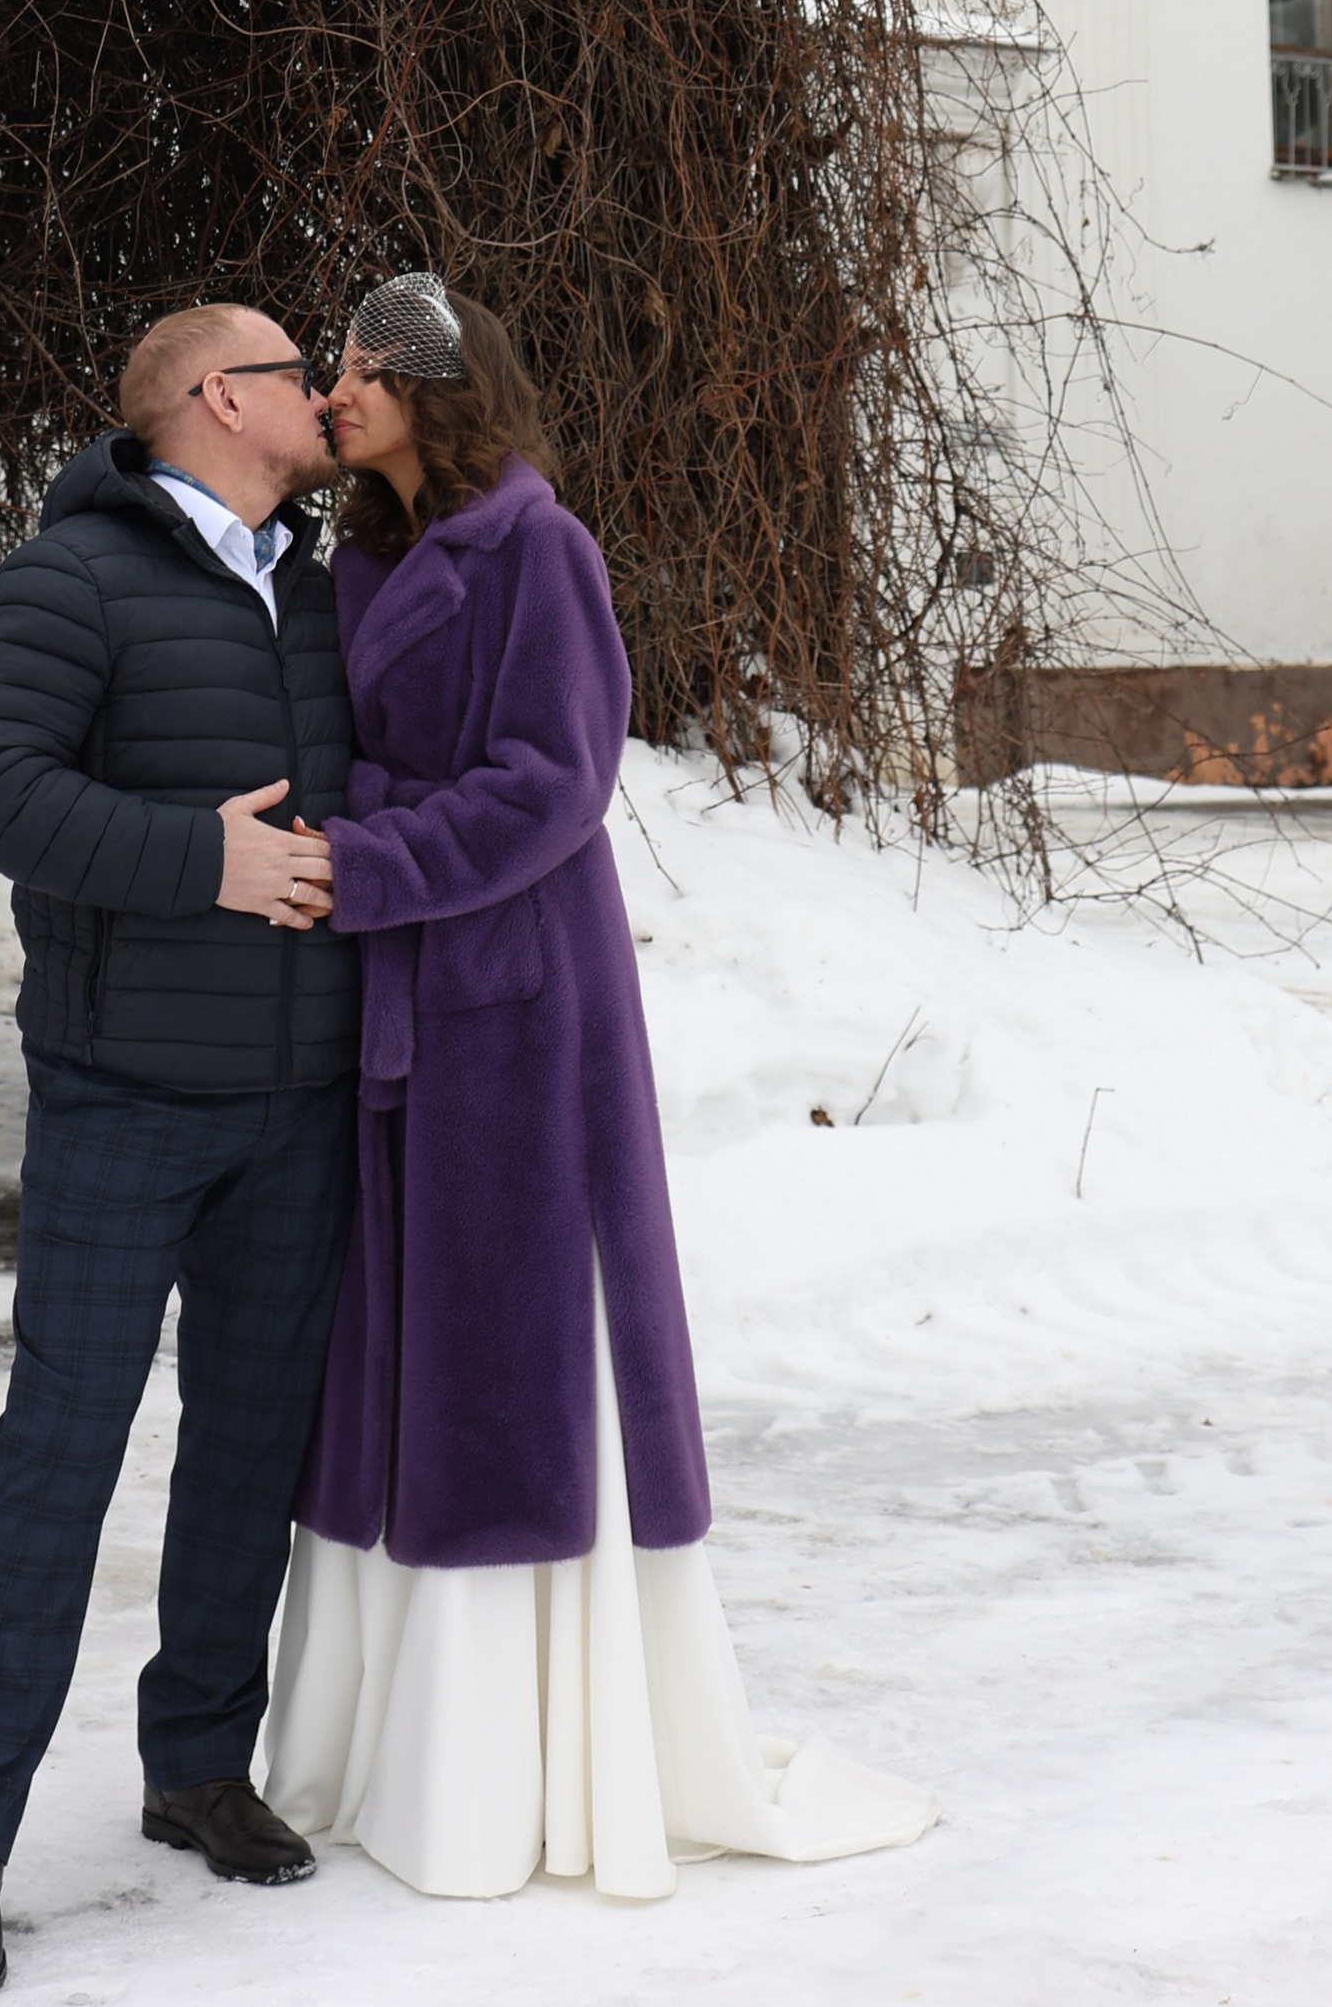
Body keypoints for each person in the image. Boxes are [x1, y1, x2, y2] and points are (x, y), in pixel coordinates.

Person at [261, 271, 936, 1902]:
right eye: (333, 365)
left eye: (361, 366)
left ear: (436, 388)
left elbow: (554, 782)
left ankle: (524, 1762)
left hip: (518, 1003)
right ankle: (390, 1735)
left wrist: (360, 865)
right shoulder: (364, 559)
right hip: (404, 991)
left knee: (515, 1335)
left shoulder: (536, 551)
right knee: (402, 1338)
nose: (332, 386)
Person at [0, 301, 355, 2002]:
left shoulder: (322, 580)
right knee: (59, 1454)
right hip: (122, 1095)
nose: (324, 393)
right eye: (298, 370)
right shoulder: (68, 579)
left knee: (249, 1447)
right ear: (218, 399)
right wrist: (201, 862)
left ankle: (196, 1767)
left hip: (297, 1100)